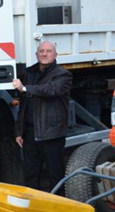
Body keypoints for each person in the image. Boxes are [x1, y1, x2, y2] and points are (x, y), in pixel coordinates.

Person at [13, 41, 72, 193]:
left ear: (55, 55)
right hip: (31, 134)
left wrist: (25, 88)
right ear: (36, 54)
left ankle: (58, 208)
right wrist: (19, 132)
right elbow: (23, 105)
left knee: (55, 176)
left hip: (52, 133)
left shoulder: (63, 75)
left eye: (49, 51)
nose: (45, 54)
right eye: (41, 51)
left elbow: (50, 90)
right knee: (31, 176)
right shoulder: (29, 74)